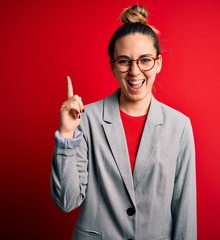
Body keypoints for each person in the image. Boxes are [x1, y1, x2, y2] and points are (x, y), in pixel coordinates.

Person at [51, 5, 197, 239]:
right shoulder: (86, 120)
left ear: (158, 63)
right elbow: (67, 201)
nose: (135, 72)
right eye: (124, 61)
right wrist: (66, 135)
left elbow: (185, 210)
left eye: (145, 60)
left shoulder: (179, 126)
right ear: (113, 66)